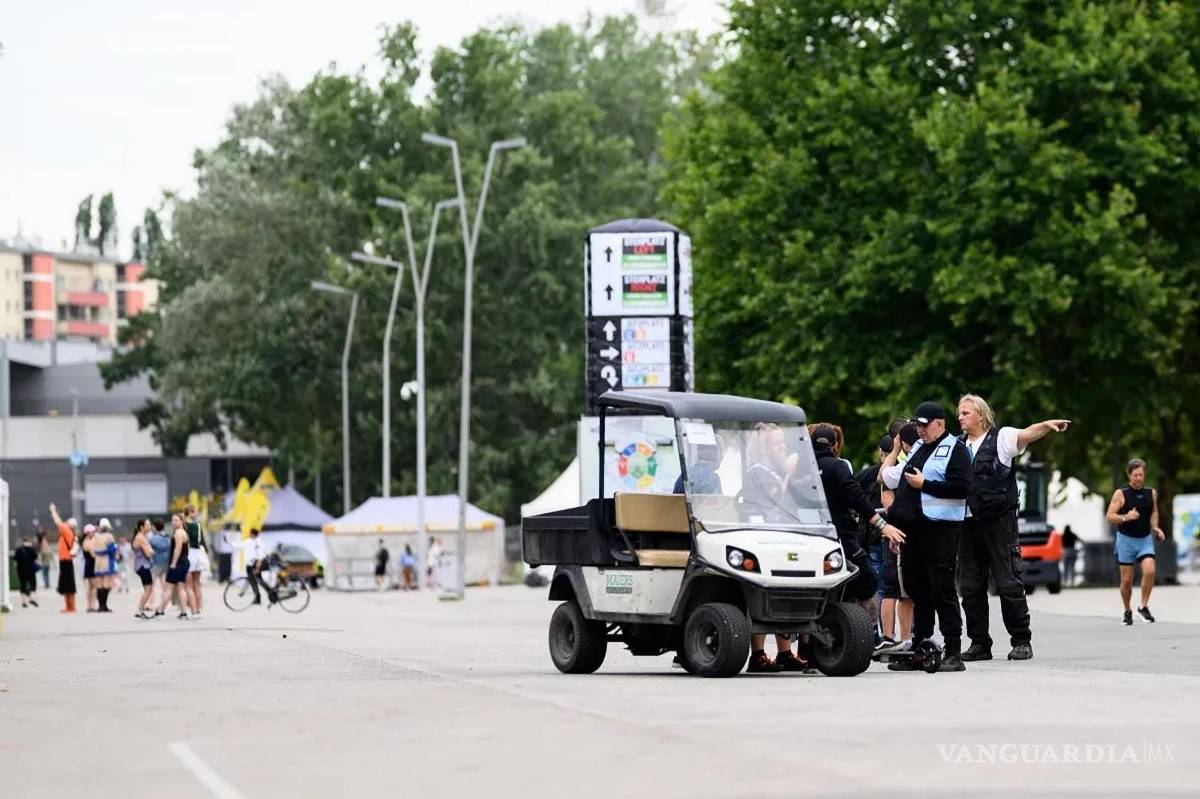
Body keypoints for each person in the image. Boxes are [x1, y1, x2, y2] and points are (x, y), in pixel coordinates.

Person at [955, 395, 1070, 662]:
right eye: (959, 413)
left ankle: (1021, 641)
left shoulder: (1002, 438)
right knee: (970, 587)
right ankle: (979, 644)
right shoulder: (958, 446)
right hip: (968, 524)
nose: (960, 417)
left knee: (1008, 582)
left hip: (999, 523)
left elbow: (1027, 434)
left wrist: (1046, 424)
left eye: (965, 413)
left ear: (981, 416)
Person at [881, 401, 972, 672]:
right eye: (917, 426)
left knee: (942, 589)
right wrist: (894, 530)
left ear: (940, 424)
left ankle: (953, 651)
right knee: (917, 589)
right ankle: (920, 648)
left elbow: (964, 487)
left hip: (941, 530)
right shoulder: (920, 448)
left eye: (924, 425)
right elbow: (901, 487)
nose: (919, 430)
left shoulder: (955, 449)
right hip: (914, 531)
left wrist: (926, 485)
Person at [806, 424, 906, 626]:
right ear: (834, 446)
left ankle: (803, 647)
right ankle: (868, 634)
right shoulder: (837, 466)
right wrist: (883, 525)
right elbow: (858, 499)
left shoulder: (799, 468)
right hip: (838, 538)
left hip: (807, 539)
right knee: (866, 580)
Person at [742, 422, 805, 672]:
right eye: (777, 443)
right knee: (760, 594)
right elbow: (776, 497)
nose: (782, 448)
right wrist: (789, 472)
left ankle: (784, 652)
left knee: (781, 593)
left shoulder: (770, 469)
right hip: (762, 537)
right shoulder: (758, 471)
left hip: (780, 533)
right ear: (765, 447)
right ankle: (757, 654)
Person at [1105, 458, 1166, 624]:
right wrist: (1126, 517)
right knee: (1126, 580)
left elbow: (1153, 512)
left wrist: (1155, 527)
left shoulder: (1150, 493)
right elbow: (1109, 516)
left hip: (1144, 539)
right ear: (1129, 475)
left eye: (1141, 474)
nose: (1139, 478)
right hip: (1125, 541)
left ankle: (1143, 607)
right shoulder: (1121, 494)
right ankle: (1127, 610)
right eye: (1135, 475)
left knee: (1150, 570)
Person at [878, 423, 919, 652]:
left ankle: (897, 637)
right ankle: (909, 636)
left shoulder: (904, 464)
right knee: (906, 590)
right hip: (925, 530)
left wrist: (893, 453)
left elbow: (883, 478)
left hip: (901, 531)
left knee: (897, 589)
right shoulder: (927, 459)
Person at [158, 514, 195, 619]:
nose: (173, 522)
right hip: (183, 563)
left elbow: (177, 548)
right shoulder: (184, 532)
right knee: (181, 588)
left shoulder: (178, 533)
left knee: (169, 588)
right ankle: (183, 613)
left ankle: (160, 611)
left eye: (176, 520)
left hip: (178, 564)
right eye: (172, 520)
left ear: (181, 521)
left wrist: (173, 563)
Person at [231, 528, 273, 605]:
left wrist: (257, 566)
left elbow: (261, 554)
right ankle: (261, 596)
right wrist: (229, 542)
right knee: (254, 581)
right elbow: (238, 545)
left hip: (255, 565)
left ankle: (268, 594)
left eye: (250, 533)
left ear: (253, 534)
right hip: (250, 565)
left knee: (257, 581)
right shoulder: (249, 541)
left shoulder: (258, 542)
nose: (249, 535)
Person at [49, 503, 77, 613]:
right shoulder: (69, 532)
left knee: (68, 585)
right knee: (66, 585)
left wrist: (53, 510)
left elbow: (58, 522)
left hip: (66, 561)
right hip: (65, 561)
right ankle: (69, 606)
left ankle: (71, 607)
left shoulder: (67, 531)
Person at [183, 505, 209, 619]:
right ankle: (198, 610)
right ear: (190, 512)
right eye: (195, 512)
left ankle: (193, 612)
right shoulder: (198, 525)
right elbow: (202, 541)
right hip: (198, 554)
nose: (197, 514)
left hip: (188, 554)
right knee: (197, 584)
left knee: (188, 586)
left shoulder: (184, 525)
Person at [131, 519, 156, 618]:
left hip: (141, 566)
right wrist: (153, 551)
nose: (150, 527)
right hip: (143, 566)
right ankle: (139, 610)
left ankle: (141, 610)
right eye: (148, 525)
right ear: (142, 527)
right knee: (148, 590)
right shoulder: (141, 538)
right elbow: (149, 553)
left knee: (147, 589)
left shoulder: (142, 537)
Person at [92, 519, 118, 613]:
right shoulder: (109, 536)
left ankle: (100, 606)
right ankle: (104, 606)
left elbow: (94, 549)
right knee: (106, 584)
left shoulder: (95, 536)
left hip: (98, 561)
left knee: (99, 585)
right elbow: (112, 550)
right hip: (106, 560)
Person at [148, 518, 172, 617]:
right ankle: (167, 603)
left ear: (154, 527)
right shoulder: (167, 537)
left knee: (150, 584)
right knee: (164, 585)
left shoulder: (153, 538)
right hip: (166, 563)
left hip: (156, 563)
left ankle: (151, 603)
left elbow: (150, 551)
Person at [14, 536, 40, 607]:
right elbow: (37, 560)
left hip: (21, 571)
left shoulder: (18, 550)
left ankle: (24, 602)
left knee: (22, 585)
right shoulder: (32, 549)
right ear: (28, 542)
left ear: (23, 542)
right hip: (30, 571)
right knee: (33, 584)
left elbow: (15, 562)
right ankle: (31, 598)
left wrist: (15, 570)